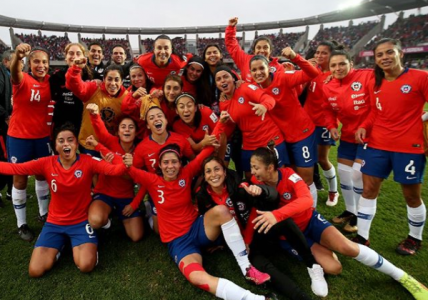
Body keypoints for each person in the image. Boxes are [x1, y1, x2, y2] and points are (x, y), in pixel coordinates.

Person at [249, 145, 428, 300]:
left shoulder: (289, 176)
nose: (253, 172)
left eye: (256, 167)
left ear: (270, 167)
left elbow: (306, 200)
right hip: (292, 237)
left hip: (311, 221)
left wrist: (277, 214)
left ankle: (403, 277)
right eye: (252, 167)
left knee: (348, 248)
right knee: (334, 268)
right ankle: (320, 256)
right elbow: (249, 206)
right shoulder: (255, 183)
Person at [127, 116, 277, 300]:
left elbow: (206, 151)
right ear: (159, 165)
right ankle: (255, 299)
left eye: (174, 161)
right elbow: (126, 169)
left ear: (180, 163)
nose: (170, 166)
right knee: (197, 278)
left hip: (197, 228)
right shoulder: (152, 180)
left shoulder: (187, 172)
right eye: (165, 162)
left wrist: (221, 122)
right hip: (179, 243)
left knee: (222, 210)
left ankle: (246, 267)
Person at [0, 123, 130, 277]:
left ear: (76, 144)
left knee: (86, 265)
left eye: (70, 140)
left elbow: (115, 170)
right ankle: (61, 247)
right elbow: (16, 168)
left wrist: (125, 163)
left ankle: (84, 245)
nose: (66, 144)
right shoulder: (47, 163)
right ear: (55, 145)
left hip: (81, 222)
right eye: (61, 141)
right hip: (54, 223)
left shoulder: (88, 161)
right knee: (35, 271)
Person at [196, 155, 326, 299]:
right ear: (204, 176)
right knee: (266, 269)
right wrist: (221, 244)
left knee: (283, 221)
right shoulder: (203, 197)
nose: (213, 174)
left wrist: (260, 190)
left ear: (225, 172)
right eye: (208, 171)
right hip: (241, 247)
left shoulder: (239, 185)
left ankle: (312, 264)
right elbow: (208, 225)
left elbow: (271, 196)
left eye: (217, 169)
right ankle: (301, 297)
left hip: (254, 233)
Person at [354, 38, 427, 255]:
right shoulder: (374, 82)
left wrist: (421, 119)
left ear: (400, 54)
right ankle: (362, 236)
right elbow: (374, 111)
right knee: (368, 189)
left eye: (389, 52)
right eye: (379, 55)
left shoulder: (420, 78)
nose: (384, 57)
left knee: (411, 195)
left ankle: (415, 238)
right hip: (377, 144)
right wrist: (364, 126)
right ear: (375, 59)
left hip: (409, 147)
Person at [249, 50, 319, 206]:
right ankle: (296, 206)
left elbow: (312, 73)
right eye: (254, 70)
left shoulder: (283, 77)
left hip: (302, 134)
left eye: (261, 68)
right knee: (291, 176)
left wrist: (295, 57)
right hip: (282, 139)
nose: (258, 72)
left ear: (269, 68)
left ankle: (311, 212)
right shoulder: (254, 88)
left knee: (306, 178)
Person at [322, 47, 373, 233]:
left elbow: (377, 104)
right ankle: (350, 210)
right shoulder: (328, 85)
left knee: (357, 175)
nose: (338, 68)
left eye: (342, 64)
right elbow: (327, 109)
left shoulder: (367, 76)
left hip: (370, 136)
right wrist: (332, 126)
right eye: (333, 65)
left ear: (351, 64)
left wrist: (365, 126)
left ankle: (360, 215)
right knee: (344, 174)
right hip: (348, 136)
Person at [8, 43, 52, 241]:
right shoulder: (23, 79)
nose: (40, 65)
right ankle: (21, 224)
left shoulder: (51, 82)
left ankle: (44, 213)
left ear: (49, 65)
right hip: (19, 138)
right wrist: (18, 55)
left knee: (42, 176)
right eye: (36, 61)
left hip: (42, 137)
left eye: (44, 62)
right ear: (29, 64)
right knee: (20, 179)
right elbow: (15, 71)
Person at [214, 65, 285, 179]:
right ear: (216, 84)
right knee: (251, 177)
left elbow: (268, 99)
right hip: (249, 143)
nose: (223, 80)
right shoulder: (223, 103)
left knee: (276, 176)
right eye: (218, 79)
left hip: (269, 138)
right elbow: (230, 126)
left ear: (233, 78)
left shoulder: (245, 88)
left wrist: (264, 106)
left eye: (225, 77)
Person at [131, 106, 195, 233]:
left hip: (180, 186)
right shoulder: (141, 147)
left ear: (166, 121)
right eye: (151, 118)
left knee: (186, 223)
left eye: (159, 116)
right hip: (158, 190)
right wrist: (147, 190)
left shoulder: (180, 140)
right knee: (158, 231)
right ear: (148, 126)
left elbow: (193, 161)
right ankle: (150, 208)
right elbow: (137, 174)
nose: (156, 119)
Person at [85, 103, 143, 242]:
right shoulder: (111, 141)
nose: (127, 130)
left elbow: (143, 181)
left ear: (136, 132)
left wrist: (134, 204)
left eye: (131, 127)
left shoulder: (140, 152)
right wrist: (94, 114)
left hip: (125, 197)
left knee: (136, 236)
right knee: (95, 221)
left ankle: (118, 213)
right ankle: (107, 220)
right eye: (123, 127)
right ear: (117, 131)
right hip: (104, 193)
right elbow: (101, 130)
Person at [65, 57, 128, 156]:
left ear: (122, 82)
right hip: (89, 144)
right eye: (109, 79)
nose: (113, 83)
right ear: (104, 79)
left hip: (110, 147)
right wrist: (75, 69)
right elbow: (75, 86)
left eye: (117, 80)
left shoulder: (126, 97)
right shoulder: (93, 88)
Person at [304, 41, 340, 206]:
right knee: (308, 158)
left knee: (322, 159)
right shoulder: (313, 70)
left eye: (323, 53)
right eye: (317, 52)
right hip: (306, 121)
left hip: (324, 123)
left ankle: (333, 191)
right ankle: (308, 189)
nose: (318, 56)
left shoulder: (335, 74)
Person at [225, 17, 284, 84]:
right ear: (254, 51)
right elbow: (232, 46)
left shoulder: (279, 68)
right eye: (258, 48)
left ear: (270, 51)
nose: (262, 50)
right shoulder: (245, 61)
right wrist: (231, 28)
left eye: (265, 48)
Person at [50, 43, 89, 134]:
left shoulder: (91, 76)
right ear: (65, 57)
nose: (75, 57)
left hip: (84, 126)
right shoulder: (57, 76)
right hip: (61, 126)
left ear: (84, 57)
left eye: (78, 54)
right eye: (71, 53)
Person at [121, 64, 152, 140]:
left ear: (145, 76)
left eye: (140, 75)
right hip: (134, 133)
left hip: (151, 131)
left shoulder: (153, 89)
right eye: (133, 76)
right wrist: (133, 96)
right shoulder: (128, 91)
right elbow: (124, 110)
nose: (137, 79)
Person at [0, 50, 15, 206]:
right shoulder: (1, 75)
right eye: (17, 60)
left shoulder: (9, 76)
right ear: (6, 61)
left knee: (9, 158)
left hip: (7, 125)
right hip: (2, 125)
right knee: (3, 157)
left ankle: (11, 192)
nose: (20, 64)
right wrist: (5, 115)